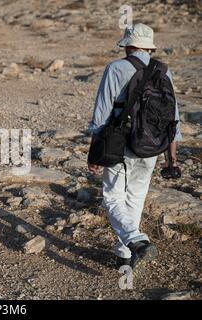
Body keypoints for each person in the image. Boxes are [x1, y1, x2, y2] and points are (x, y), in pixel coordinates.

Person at [87, 23, 182, 273]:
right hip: (153, 146)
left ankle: (135, 240)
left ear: (128, 45)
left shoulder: (116, 68)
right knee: (135, 198)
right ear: (149, 47)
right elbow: (174, 118)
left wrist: (95, 150)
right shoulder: (164, 71)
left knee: (113, 197)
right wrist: (171, 158)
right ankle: (124, 255)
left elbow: (101, 114)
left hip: (120, 145)